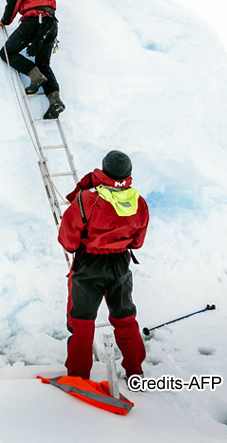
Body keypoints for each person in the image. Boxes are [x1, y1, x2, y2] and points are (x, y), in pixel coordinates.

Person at [57, 150, 149, 379]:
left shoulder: (87, 199)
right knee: (125, 318)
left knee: (82, 322)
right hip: (120, 264)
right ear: (128, 175)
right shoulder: (138, 202)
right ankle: (135, 371)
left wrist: (81, 248)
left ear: (103, 171)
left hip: (89, 263)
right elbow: (137, 242)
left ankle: (78, 377)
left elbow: (68, 239)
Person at [0, 0, 64, 119]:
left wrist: (5, 21)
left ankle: (34, 76)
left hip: (33, 23)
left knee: (7, 52)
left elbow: (13, 3)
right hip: (51, 25)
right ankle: (55, 100)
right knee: (44, 64)